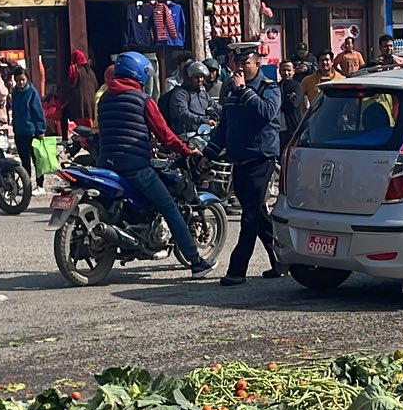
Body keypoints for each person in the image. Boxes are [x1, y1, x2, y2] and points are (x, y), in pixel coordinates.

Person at [99, 51, 208, 275]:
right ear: (138, 74)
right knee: (168, 206)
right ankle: (196, 261)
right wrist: (186, 151)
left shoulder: (105, 98)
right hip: (134, 166)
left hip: (106, 164)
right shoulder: (143, 100)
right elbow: (165, 135)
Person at [212, 43, 285, 287]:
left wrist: (245, 91)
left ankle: (237, 269)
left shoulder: (269, 88)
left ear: (258, 64)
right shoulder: (231, 90)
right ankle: (281, 261)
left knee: (250, 216)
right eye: (238, 63)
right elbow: (225, 126)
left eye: (247, 63)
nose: (241, 68)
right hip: (239, 158)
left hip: (261, 158)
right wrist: (207, 153)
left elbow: (267, 113)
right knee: (259, 214)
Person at [6, 63, 48, 194]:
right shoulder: (15, 92)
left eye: (23, 79)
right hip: (19, 131)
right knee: (24, 161)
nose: (20, 82)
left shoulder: (32, 92)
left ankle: (40, 186)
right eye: (18, 80)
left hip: (32, 131)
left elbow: (38, 112)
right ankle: (27, 185)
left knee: (37, 160)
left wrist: (40, 130)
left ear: (27, 79)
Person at [160, 61, 214, 139]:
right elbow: (183, 113)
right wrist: (203, 120)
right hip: (186, 135)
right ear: (188, 78)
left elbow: (214, 105)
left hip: (203, 132)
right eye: (196, 77)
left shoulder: (203, 93)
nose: (200, 80)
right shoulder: (180, 94)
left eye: (201, 77)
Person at [67, 50, 99, 136]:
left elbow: (71, 84)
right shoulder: (90, 71)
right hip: (91, 102)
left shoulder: (74, 69)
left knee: (80, 126)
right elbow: (96, 85)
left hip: (79, 103)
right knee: (90, 123)